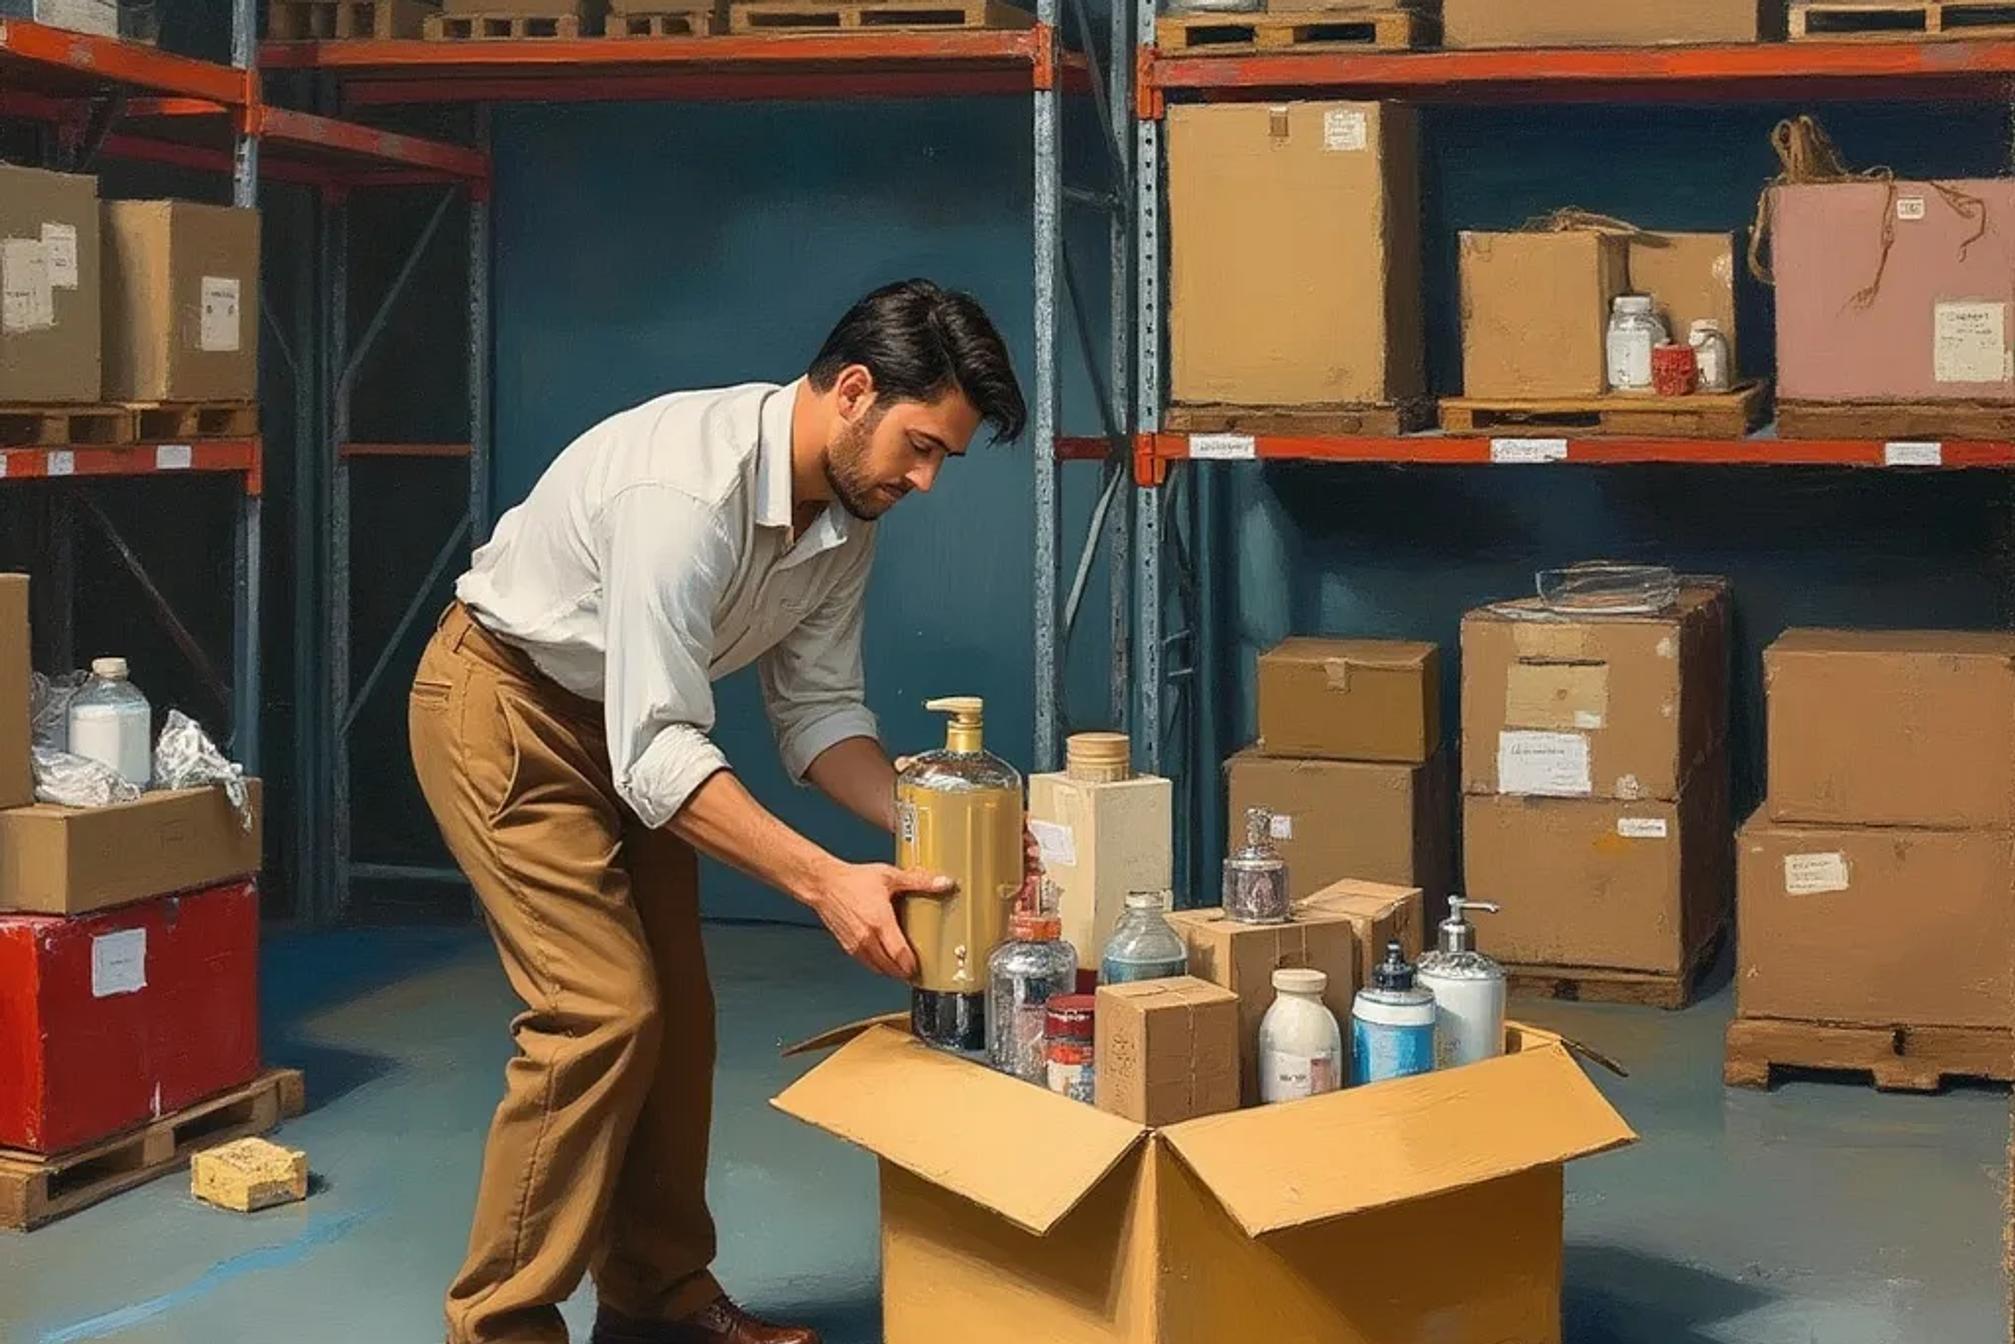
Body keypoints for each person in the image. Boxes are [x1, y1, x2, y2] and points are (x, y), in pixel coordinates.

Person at [409, 279, 1029, 1344]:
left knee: (679, 1021)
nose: (924, 480)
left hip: (627, 722)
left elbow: (819, 716)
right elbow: (655, 753)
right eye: (920, 446)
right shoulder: (683, 492)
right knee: (599, 1012)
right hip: (507, 704)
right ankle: (501, 1326)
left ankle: (658, 1298)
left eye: (942, 460)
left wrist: (931, 823)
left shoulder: (846, 516)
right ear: (851, 392)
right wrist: (824, 883)